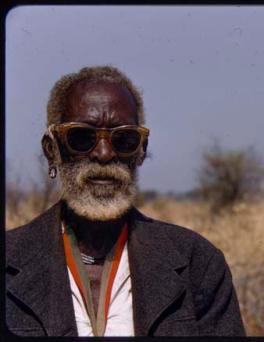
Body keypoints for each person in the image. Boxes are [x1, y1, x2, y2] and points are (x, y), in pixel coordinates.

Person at [6, 66, 245, 337]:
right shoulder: (9, 259)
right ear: (52, 151)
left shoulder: (197, 263)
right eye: (82, 137)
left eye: (124, 139)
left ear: (140, 152)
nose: (105, 154)